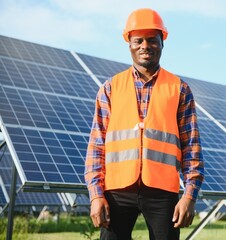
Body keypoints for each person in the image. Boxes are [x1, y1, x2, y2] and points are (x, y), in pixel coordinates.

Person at [84, 8, 204, 240]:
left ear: (162, 43)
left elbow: (192, 148)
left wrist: (189, 195)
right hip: (116, 193)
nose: (144, 46)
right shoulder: (110, 88)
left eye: (152, 40)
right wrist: (96, 195)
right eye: (138, 40)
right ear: (129, 43)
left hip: (163, 193)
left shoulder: (179, 89)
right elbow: (96, 146)